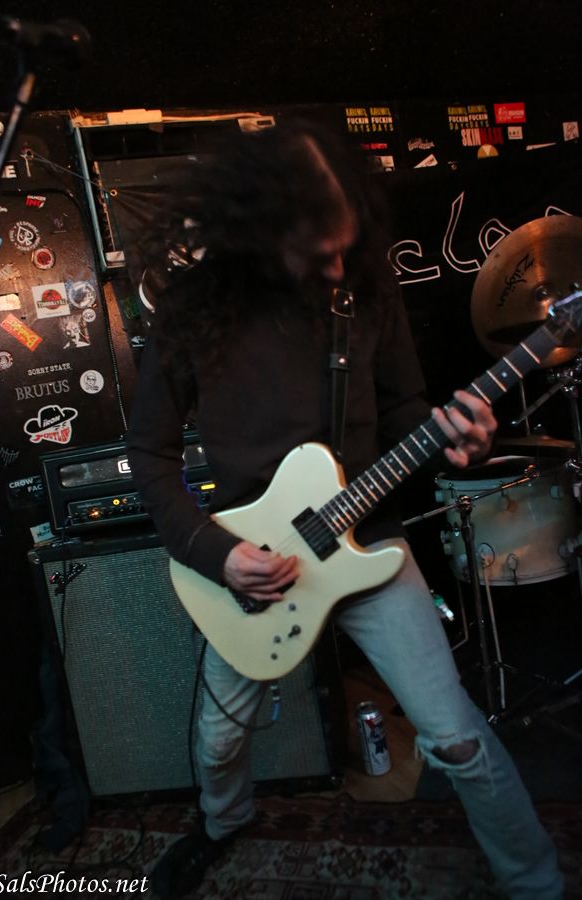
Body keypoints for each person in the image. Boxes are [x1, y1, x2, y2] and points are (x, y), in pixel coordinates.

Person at [126, 121, 563, 899]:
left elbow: (403, 409)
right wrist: (218, 555)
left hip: (367, 540)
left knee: (456, 736)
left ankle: (536, 883)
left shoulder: (363, 288)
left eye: (344, 244)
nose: (337, 265)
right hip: (252, 558)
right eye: (316, 251)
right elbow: (150, 456)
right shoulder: (194, 310)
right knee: (222, 738)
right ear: (259, 231)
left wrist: (458, 441)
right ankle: (222, 824)